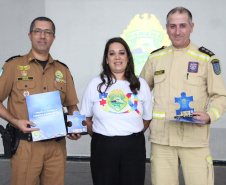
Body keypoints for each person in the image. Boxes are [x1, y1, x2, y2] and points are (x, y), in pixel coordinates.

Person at [140, 7, 226, 185]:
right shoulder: (155, 58)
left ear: (191, 27)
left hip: (194, 140)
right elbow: (139, 92)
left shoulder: (206, 59)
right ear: (166, 27)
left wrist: (210, 115)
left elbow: (220, 96)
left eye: (182, 26)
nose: (177, 31)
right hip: (162, 139)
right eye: (172, 26)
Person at [0, 17, 81, 185]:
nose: (43, 36)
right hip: (26, 145)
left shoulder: (62, 70)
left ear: (53, 37)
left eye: (48, 32)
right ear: (30, 35)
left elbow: (72, 105)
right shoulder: (12, 66)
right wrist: (15, 121)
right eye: (38, 31)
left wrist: (76, 127)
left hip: (56, 148)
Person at [80, 37, 152, 185]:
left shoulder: (141, 84)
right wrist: (102, 137)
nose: (117, 57)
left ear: (128, 57)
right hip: (103, 147)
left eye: (121, 53)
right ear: (107, 59)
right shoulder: (95, 83)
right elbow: (86, 118)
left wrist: (130, 134)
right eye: (112, 53)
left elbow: (147, 118)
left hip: (133, 147)